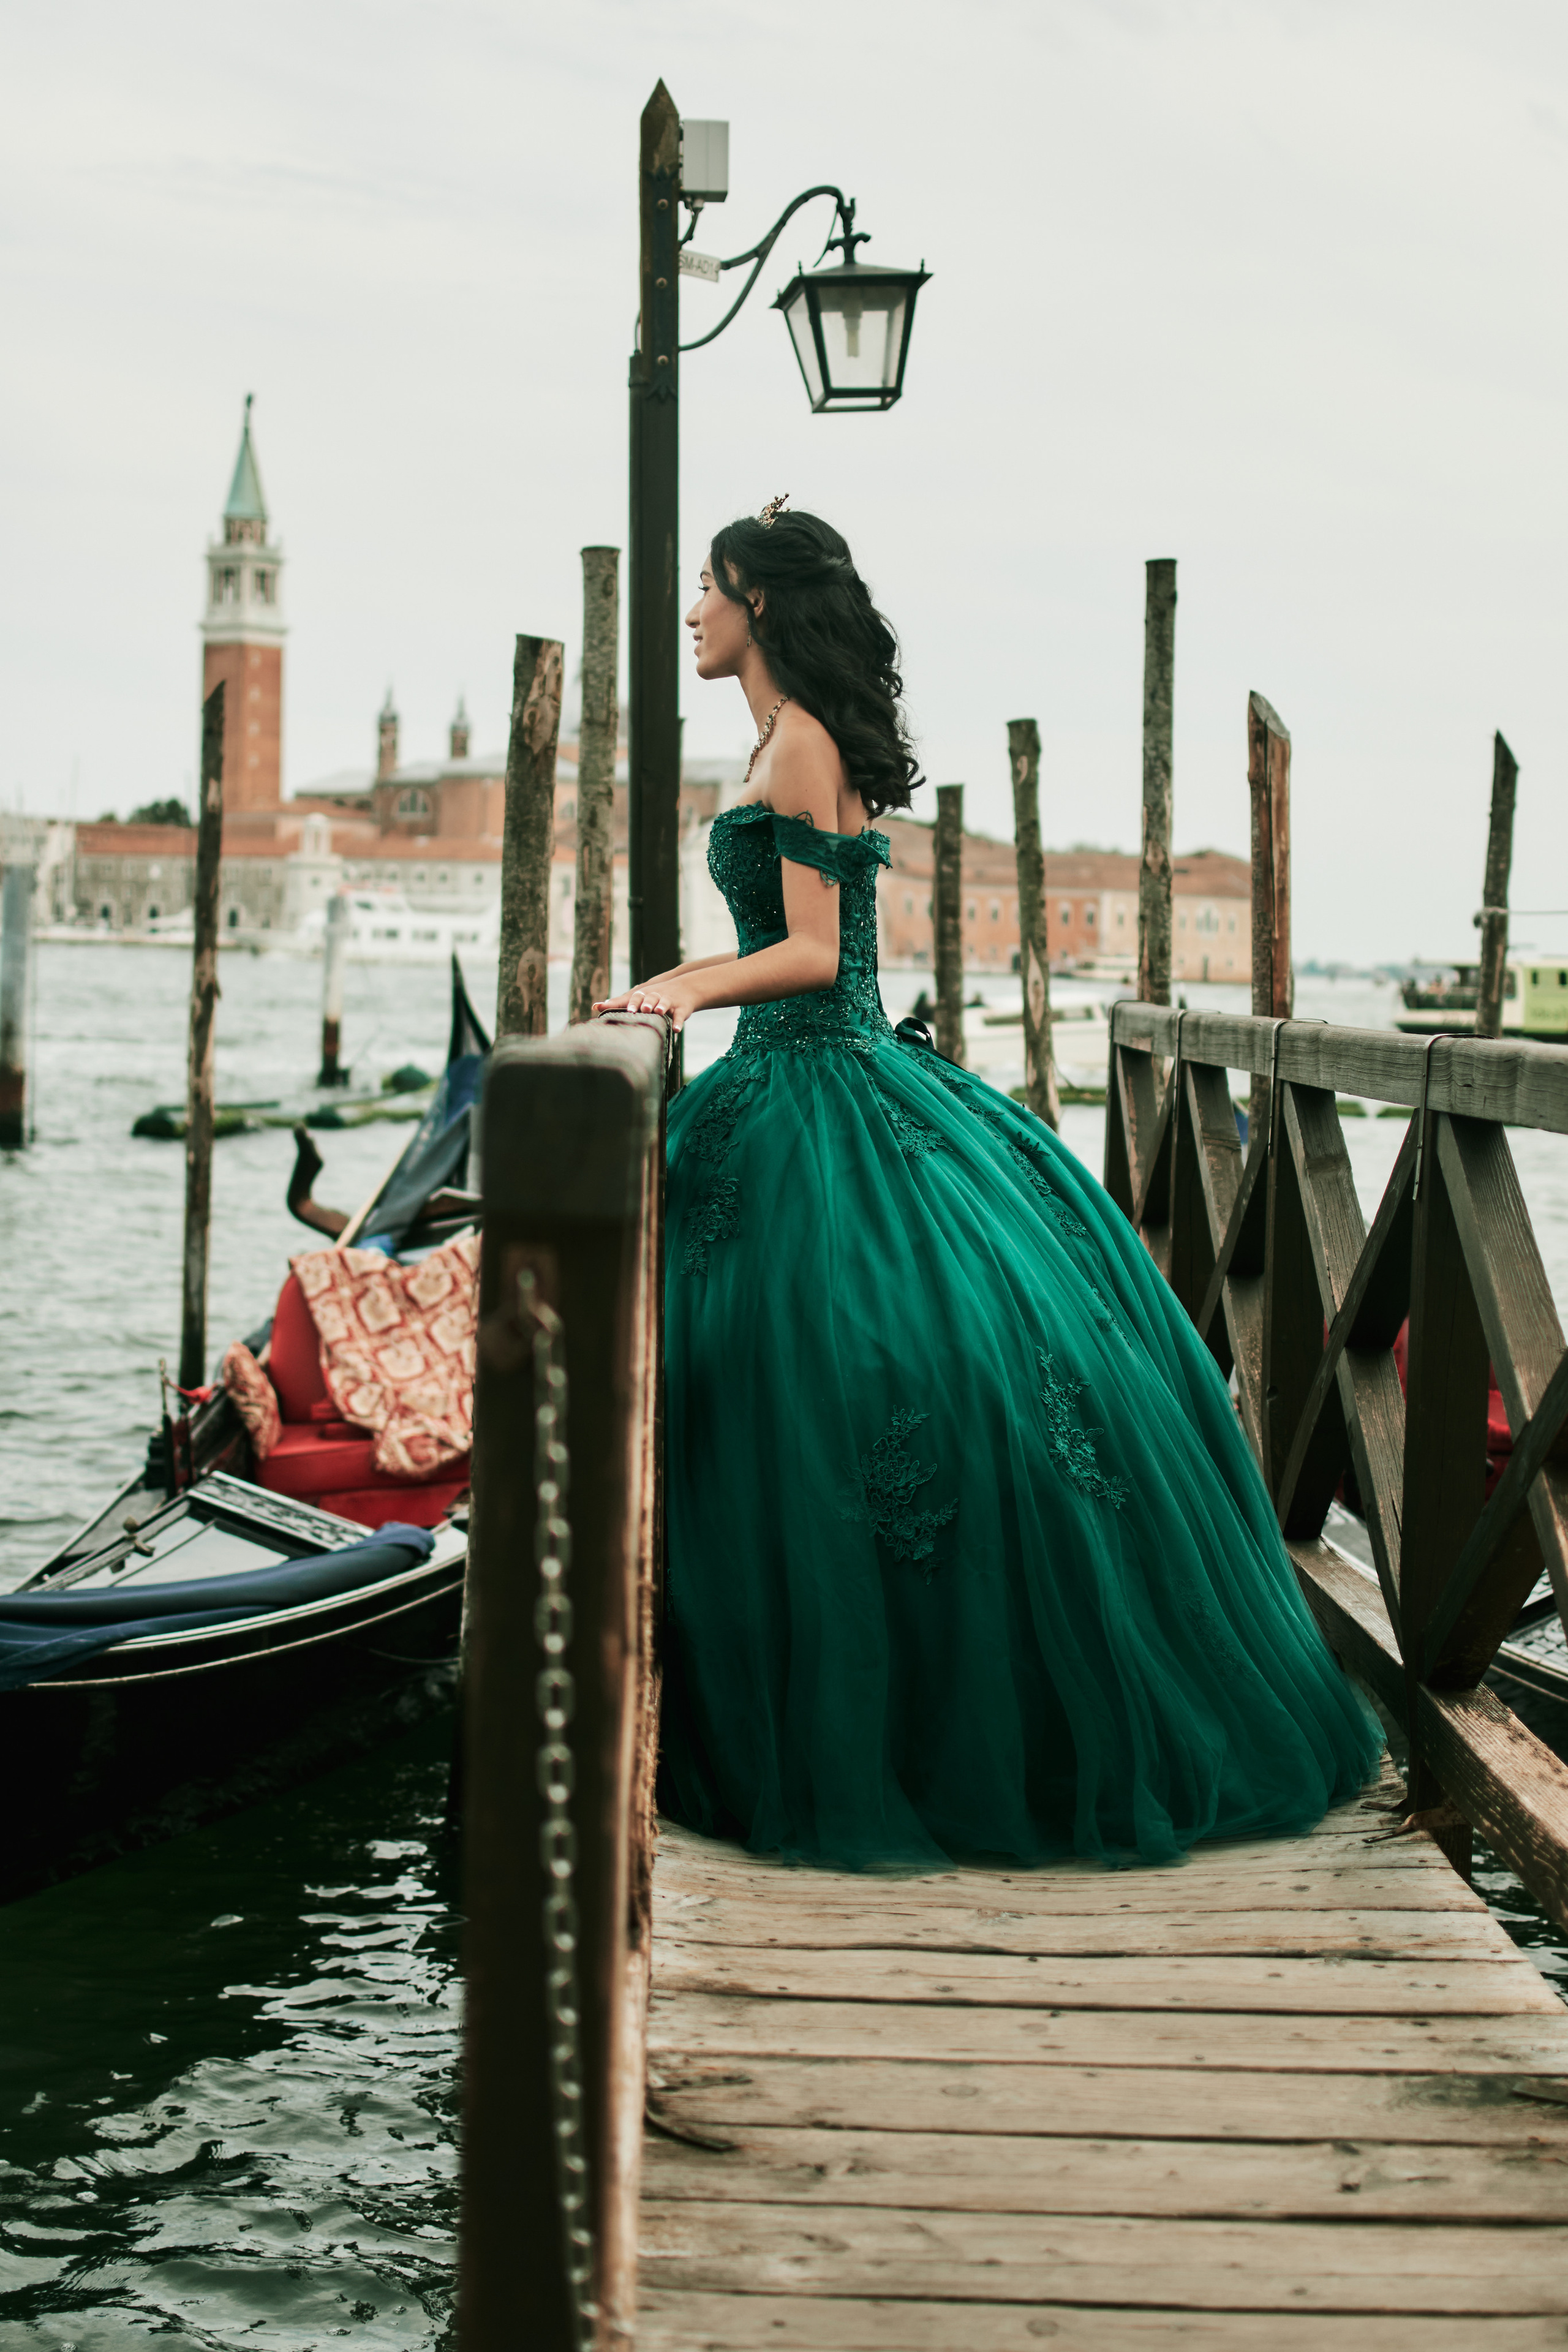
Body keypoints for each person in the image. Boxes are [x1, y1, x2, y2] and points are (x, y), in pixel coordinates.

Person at [595, 500, 1380, 1871]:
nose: (691, 613)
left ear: (761, 606)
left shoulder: (794, 745)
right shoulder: (783, 738)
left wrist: (677, 984)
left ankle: (864, 1721)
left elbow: (810, 952)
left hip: (812, 1069)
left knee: (838, 1372)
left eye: (707, 589)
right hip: (810, 1080)